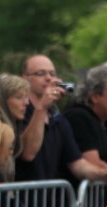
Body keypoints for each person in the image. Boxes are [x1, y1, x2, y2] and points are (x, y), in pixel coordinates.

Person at [15, 55, 83, 187]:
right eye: (41, 73)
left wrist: (106, 172)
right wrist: (41, 107)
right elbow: (27, 153)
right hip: (24, 195)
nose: (49, 78)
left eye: (52, 74)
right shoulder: (20, 110)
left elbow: (76, 163)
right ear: (24, 78)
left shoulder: (57, 117)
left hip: (49, 197)